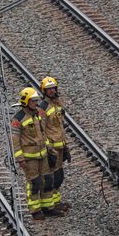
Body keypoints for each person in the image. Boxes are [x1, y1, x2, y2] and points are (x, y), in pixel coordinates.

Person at [11, 87, 59, 220]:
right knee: (34, 183)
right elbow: (15, 141)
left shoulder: (38, 113)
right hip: (30, 158)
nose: (36, 103)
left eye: (36, 100)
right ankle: (35, 210)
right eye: (33, 101)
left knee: (47, 180)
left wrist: (49, 148)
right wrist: (20, 159)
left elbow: (43, 134)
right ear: (26, 101)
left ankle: (48, 207)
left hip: (42, 155)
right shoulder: (18, 119)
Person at [39, 77, 71, 212]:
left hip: (60, 146)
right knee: (51, 177)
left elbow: (59, 127)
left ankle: (56, 202)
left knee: (59, 176)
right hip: (52, 148)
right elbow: (41, 130)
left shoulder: (57, 104)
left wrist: (65, 145)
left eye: (53, 88)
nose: (52, 91)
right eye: (49, 89)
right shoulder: (43, 108)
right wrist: (48, 148)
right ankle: (48, 207)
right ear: (44, 91)